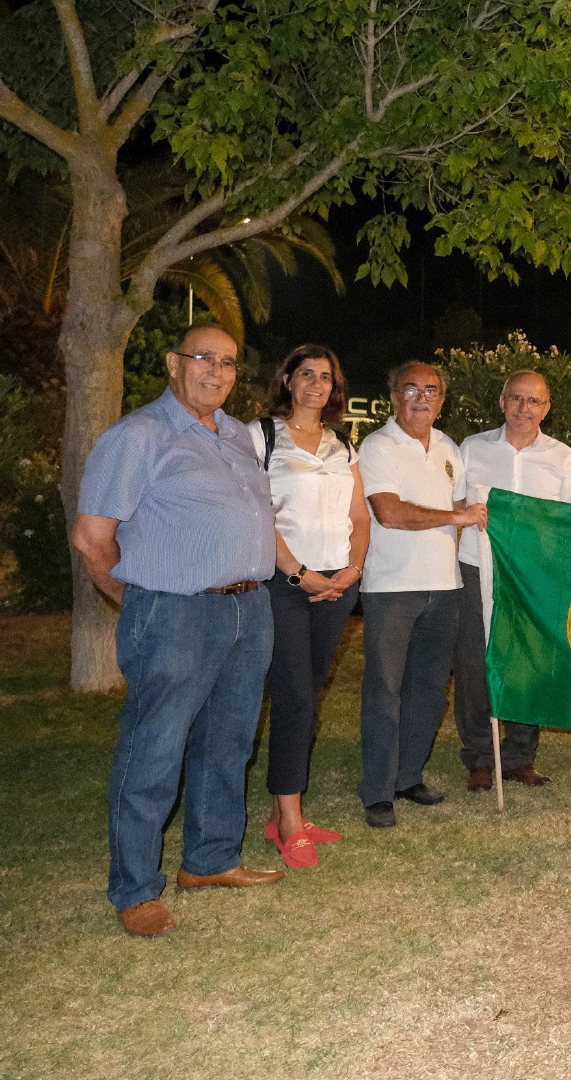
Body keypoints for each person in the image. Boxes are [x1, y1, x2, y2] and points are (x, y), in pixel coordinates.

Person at [71, 324, 283, 938]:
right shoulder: (138, 435)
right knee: (154, 748)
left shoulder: (238, 436)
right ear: (173, 363)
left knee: (229, 742)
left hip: (249, 607)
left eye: (229, 363)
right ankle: (135, 888)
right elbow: (92, 538)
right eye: (204, 358)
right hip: (176, 612)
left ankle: (211, 860)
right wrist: (137, 602)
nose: (217, 371)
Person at [248, 345, 370, 869]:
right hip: (284, 584)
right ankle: (288, 823)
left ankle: (286, 811)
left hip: (338, 586)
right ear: (288, 381)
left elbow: (359, 516)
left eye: (326, 377)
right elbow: (256, 513)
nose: (317, 385)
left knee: (307, 696)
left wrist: (352, 569)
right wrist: (299, 573)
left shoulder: (343, 444)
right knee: (296, 695)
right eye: (307, 375)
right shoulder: (262, 436)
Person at [357, 361, 485, 829]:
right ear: (394, 396)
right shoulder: (378, 445)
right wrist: (458, 518)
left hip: (445, 586)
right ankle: (377, 791)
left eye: (431, 391)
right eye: (410, 389)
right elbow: (389, 513)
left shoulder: (449, 447)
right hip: (392, 588)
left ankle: (408, 776)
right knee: (384, 690)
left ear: (442, 400)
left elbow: (460, 506)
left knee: (429, 691)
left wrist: (470, 517)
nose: (421, 398)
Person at [455, 370, 571, 793]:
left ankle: (518, 757)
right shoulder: (472, 449)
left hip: (531, 576)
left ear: (547, 408)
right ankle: (478, 755)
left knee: (527, 664)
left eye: (534, 401)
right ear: (502, 402)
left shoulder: (561, 457)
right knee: (475, 663)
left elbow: (568, 524)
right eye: (517, 399)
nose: (525, 409)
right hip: (476, 566)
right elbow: (454, 506)